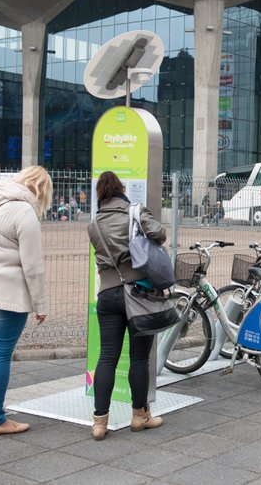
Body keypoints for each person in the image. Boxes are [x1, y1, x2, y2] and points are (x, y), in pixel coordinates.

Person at [0, 166, 52, 436]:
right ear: (41, 190)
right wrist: (41, 305)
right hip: (6, 294)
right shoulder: (24, 211)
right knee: (1, 353)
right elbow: (33, 266)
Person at [87, 171, 167, 441]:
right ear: (121, 189)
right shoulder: (134, 212)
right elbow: (160, 233)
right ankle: (139, 416)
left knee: (107, 357)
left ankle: (99, 422)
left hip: (107, 294)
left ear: (99, 194)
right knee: (139, 358)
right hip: (138, 294)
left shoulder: (93, 223)